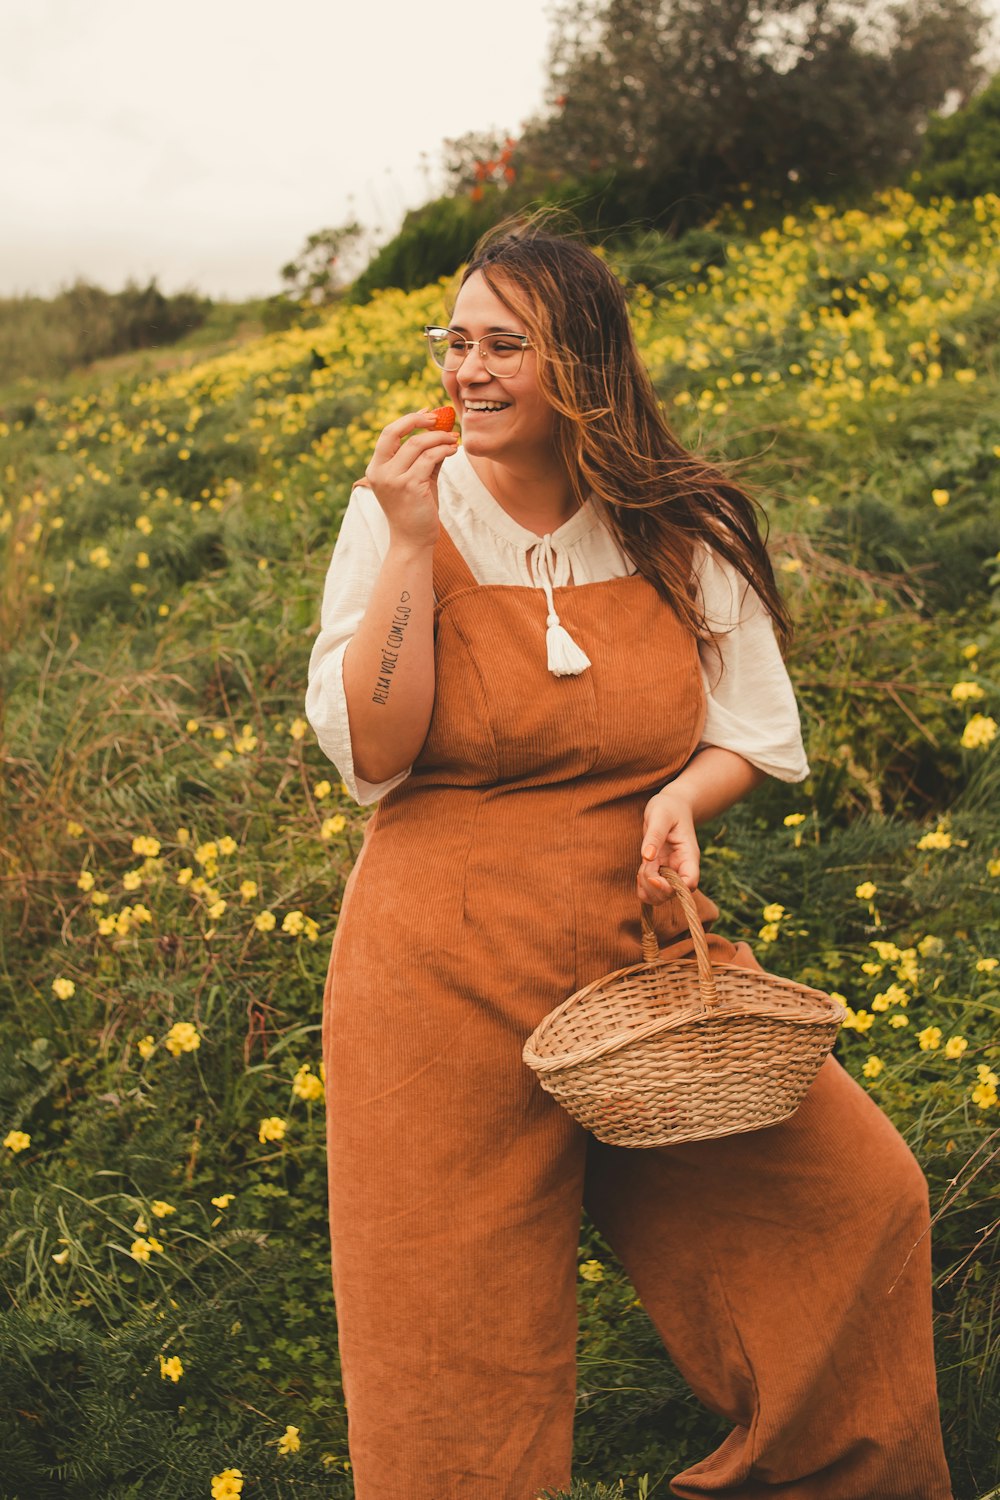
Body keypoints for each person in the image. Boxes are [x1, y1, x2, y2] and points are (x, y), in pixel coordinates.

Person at [305, 221, 953, 1500]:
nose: (468, 370)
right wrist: (409, 539)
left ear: (582, 364)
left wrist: (681, 798)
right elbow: (373, 749)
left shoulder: (678, 518)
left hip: (644, 956)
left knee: (850, 1204)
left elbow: (753, 731)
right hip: (436, 975)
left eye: (504, 344)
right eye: (456, 341)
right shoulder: (401, 509)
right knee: (451, 1346)